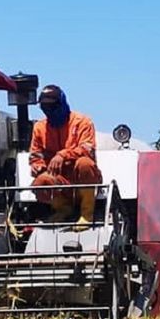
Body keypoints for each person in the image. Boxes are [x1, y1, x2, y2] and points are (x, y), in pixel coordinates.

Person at [29, 85, 102, 228]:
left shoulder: (82, 122)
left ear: (62, 103)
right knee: (41, 181)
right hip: (58, 179)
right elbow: (35, 156)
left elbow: (88, 149)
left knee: (84, 163)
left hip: (82, 178)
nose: (49, 111)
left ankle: (87, 214)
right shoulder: (39, 127)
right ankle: (63, 209)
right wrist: (38, 167)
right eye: (45, 108)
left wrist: (63, 155)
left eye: (52, 106)